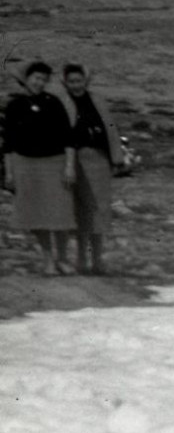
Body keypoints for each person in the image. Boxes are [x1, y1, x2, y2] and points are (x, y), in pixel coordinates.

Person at [2, 62, 79, 275]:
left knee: (61, 213)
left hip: (55, 163)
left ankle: (62, 258)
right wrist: (9, 173)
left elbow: (68, 138)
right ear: (26, 79)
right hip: (25, 165)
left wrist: (70, 166)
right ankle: (48, 260)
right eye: (36, 78)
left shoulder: (53, 102)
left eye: (44, 79)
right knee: (37, 214)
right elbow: (8, 143)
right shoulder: (14, 106)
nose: (40, 82)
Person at [60, 64, 127, 275]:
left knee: (99, 210)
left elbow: (110, 129)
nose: (76, 85)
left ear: (85, 81)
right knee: (79, 212)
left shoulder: (97, 100)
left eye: (79, 81)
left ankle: (97, 260)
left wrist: (117, 159)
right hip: (73, 160)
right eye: (71, 82)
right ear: (66, 83)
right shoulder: (63, 103)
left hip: (98, 160)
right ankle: (81, 260)